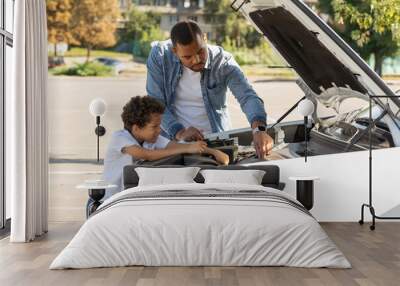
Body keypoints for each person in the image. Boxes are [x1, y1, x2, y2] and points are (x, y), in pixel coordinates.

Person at [146, 20, 274, 159]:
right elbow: (155, 102)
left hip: (215, 142)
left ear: (205, 38)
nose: (196, 60)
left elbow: (247, 96)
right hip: (174, 142)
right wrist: (180, 132)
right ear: (175, 51)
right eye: (187, 57)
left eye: (200, 51)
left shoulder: (223, 62)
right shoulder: (160, 57)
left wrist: (258, 129)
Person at [102, 96, 229, 200]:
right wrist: (187, 148)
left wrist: (214, 152)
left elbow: (176, 145)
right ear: (136, 128)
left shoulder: (150, 138)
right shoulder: (119, 138)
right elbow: (147, 155)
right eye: (155, 127)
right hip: (112, 198)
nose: (159, 131)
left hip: (130, 195)